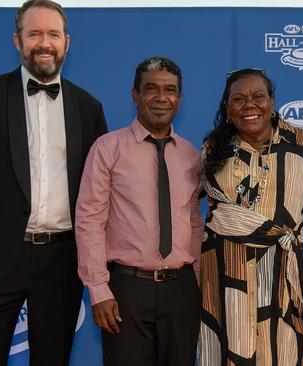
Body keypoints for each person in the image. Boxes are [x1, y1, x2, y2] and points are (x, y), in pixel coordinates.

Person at [0, 1, 108, 365]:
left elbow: (98, 188)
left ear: (67, 42)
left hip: (62, 260)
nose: (43, 43)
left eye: (52, 34)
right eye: (34, 34)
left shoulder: (88, 107)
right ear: (18, 41)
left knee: (52, 359)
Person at [75, 56, 202, 366]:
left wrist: (196, 281)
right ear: (135, 95)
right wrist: (98, 289)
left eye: (170, 90)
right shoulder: (107, 148)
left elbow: (194, 221)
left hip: (182, 291)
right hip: (126, 291)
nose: (161, 98)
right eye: (151, 89)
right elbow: (89, 220)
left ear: (180, 98)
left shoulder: (190, 153)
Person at [198, 68, 303, 366]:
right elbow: (188, 205)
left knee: (280, 351)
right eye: (238, 99)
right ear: (227, 109)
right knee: (228, 351)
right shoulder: (213, 149)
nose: (249, 105)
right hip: (225, 274)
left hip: (280, 272)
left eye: (258, 97)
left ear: (272, 101)